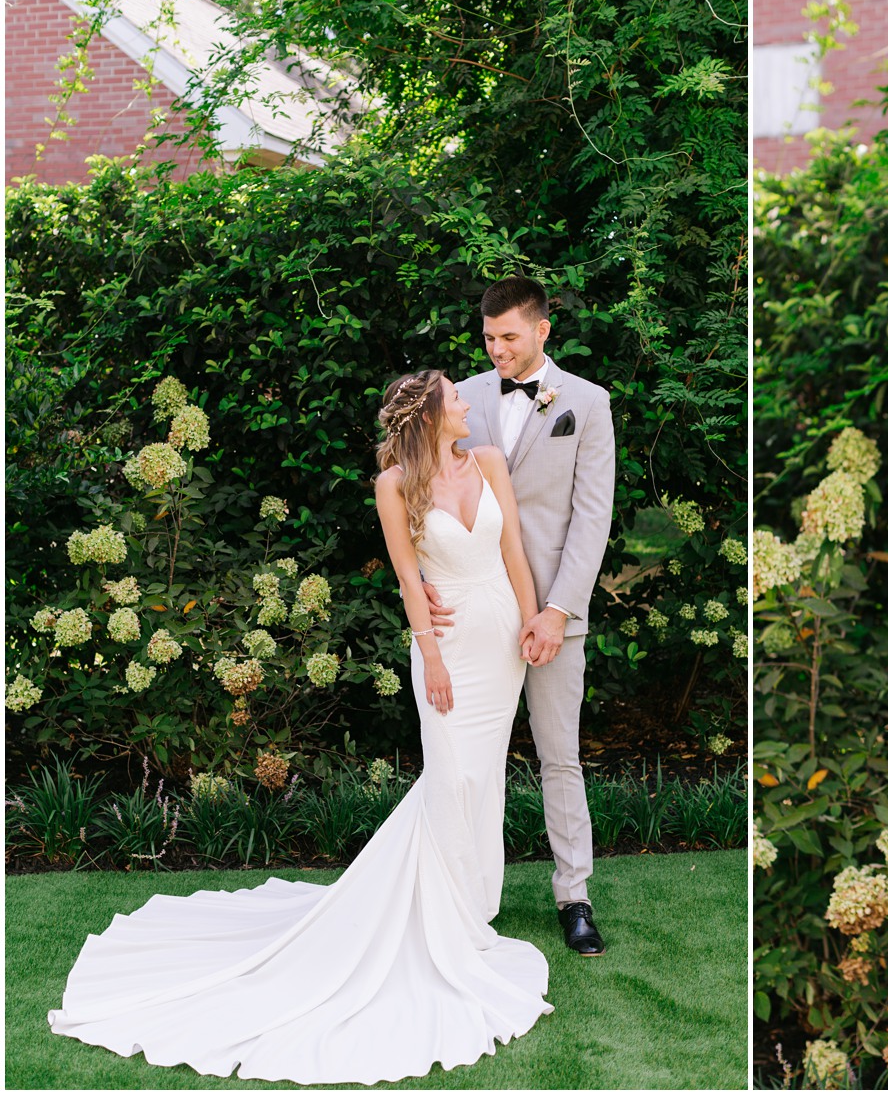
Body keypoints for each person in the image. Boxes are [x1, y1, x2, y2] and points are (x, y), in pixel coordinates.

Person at [48, 369, 554, 1084]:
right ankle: (442, 927)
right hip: (446, 651)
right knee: (452, 774)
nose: (469, 401)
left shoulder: (491, 462)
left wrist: (532, 622)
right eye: (456, 395)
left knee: (483, 775)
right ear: (431, 414)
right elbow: (411, 578)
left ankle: (473, 904)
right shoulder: (392, 485)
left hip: (501, 640)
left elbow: (513, 557)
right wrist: (429, 654)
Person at [428, 275, 616, 956]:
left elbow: (592, 520)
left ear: (542, 329)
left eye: (509, 336)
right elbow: (419, 493)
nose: (497, 349)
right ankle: (464, 892)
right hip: (475, 610)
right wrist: (422, 586)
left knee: (559, 755)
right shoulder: (461, 399)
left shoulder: (588, 405)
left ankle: (575, 897)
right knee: (466, 756)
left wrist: (557, 611)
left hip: (552, 617)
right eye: (488, 338)